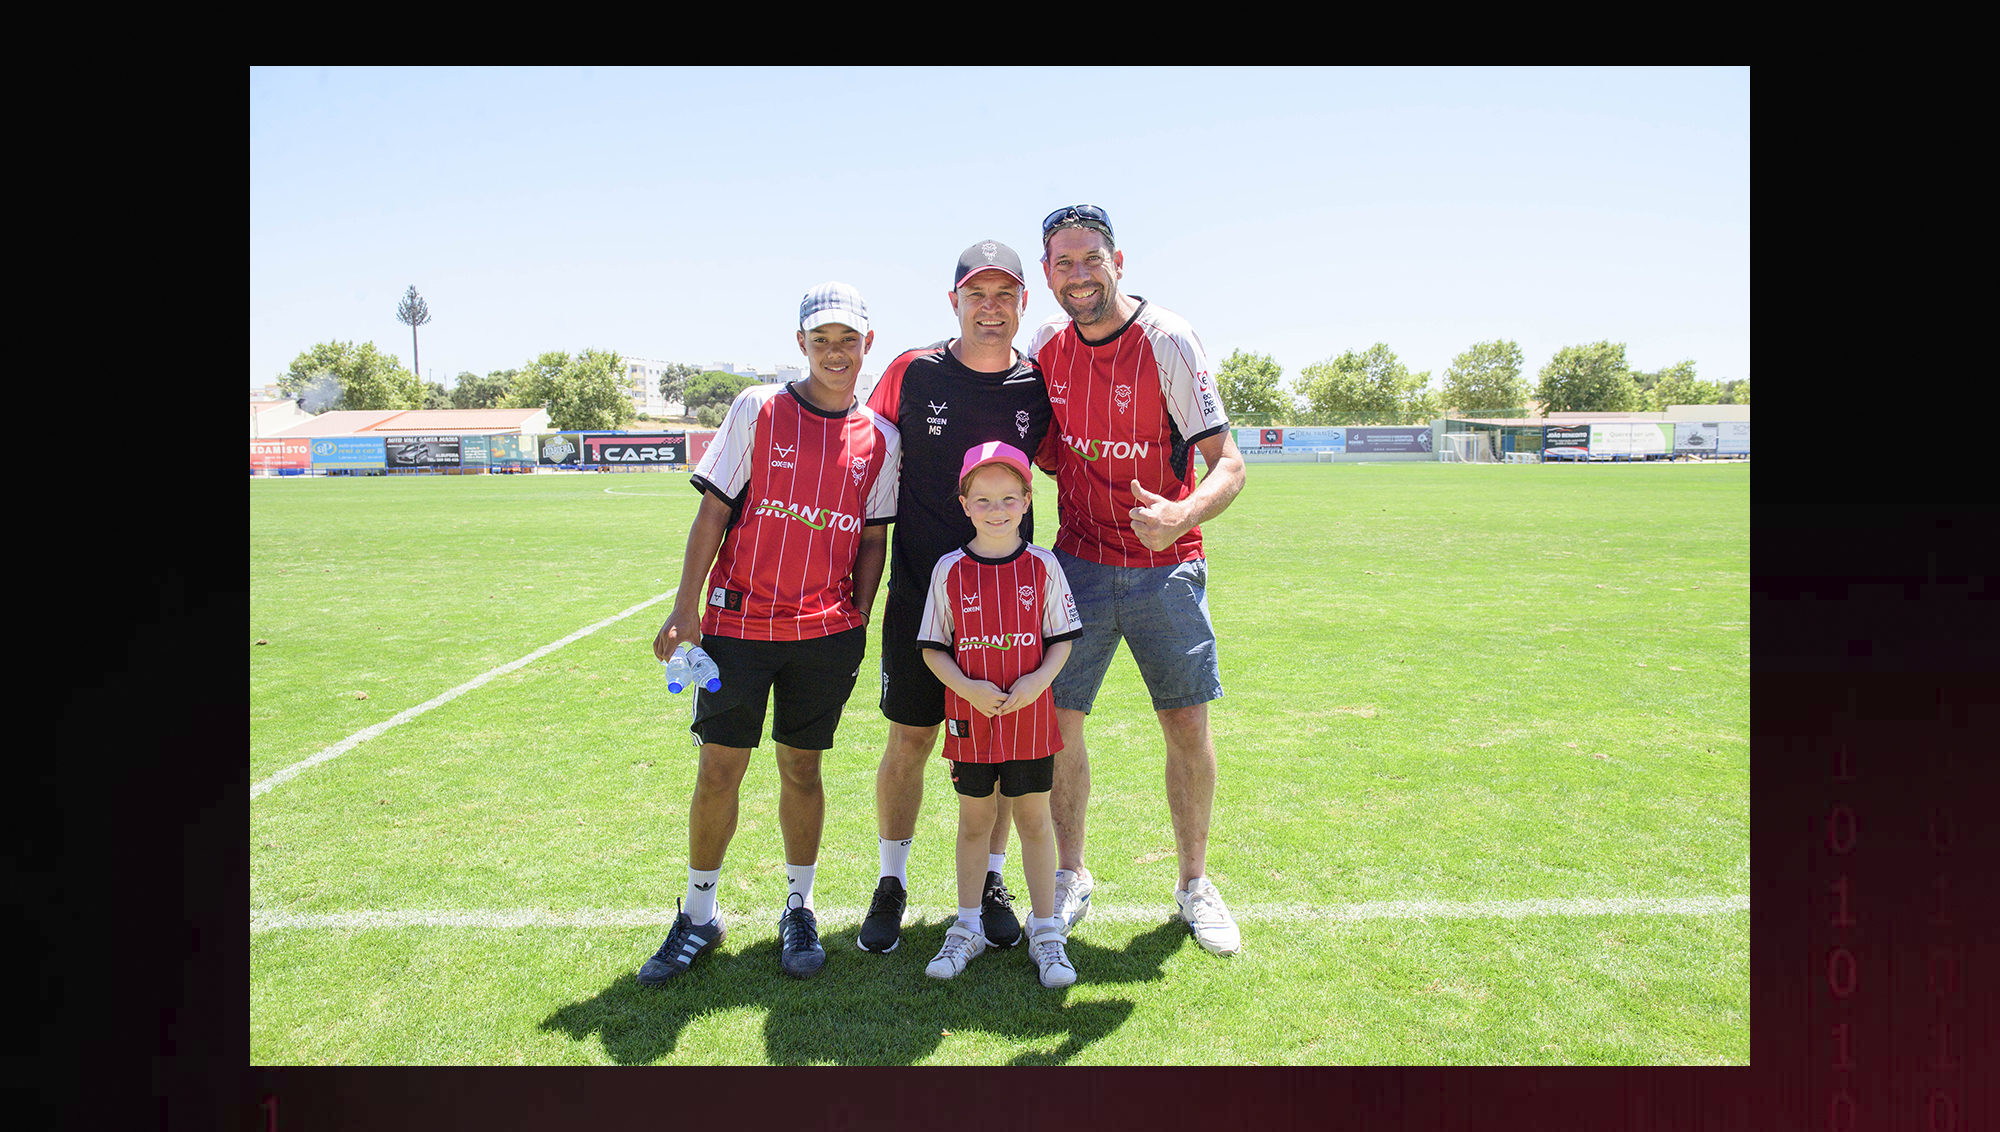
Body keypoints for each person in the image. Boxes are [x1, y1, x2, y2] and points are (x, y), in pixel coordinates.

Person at [638, 282, 900, 984]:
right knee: (719, 767)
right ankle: (699, 914)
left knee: (802, 768)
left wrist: (858, 614)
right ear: (801, 344)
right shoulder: (759, 408)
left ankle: (799, 907)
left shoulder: (882, 438)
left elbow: (873, 538)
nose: (836, 353)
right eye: (822, 341)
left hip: (824, 635)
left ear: (868, 345)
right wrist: (685, 606)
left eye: (848, 341)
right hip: (736, 627)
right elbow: (713, 513)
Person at [1027, 205, 1249, 957]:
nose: (1079, 275)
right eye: (1063, 263)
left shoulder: (1168, 340)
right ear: (1046, 272)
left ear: (1117, 261)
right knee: (1058, 724)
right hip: (1078, 565)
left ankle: (1194, 883)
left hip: (1167, 567)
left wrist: (1181, 511)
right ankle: (1069, 873)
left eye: (1091, 259)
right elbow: (1046, 446)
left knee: (1186, 725)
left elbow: (1229, 463)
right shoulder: (1046, 345)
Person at [856, 241, 1056, 956]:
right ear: (954, 302)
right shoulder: (911, 371)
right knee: (909, 741)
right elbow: (862, 454)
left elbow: (1069, 459)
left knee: (998, 747)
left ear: (1023, 304)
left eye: (1005, 295)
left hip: (1006, 609)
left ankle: (992, 880)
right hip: (920, 598)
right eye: (977, 294)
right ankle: (891, 881)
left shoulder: (1037, 385)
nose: (990, 308)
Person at [916, 441, 1082, 987]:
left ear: (1028, 501)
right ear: (965, 505)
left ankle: (1047, 932)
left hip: (1030, 719)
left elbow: (1061, 639)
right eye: (983, 500)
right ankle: (967, 927)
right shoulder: (949, 570)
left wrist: (1037, 681)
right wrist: (966, 686)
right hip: (971, 720)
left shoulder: (1043, 566)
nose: (997, 510)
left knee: (1033, 821)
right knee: (975, 822)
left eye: (1009, 498)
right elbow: (933, 648)